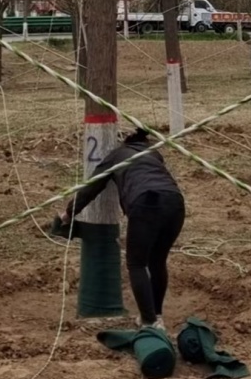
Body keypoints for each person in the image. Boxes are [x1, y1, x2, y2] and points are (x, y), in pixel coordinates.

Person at [60, 128, 185, 330]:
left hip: (146, 203)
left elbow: (92, 187)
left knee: (136, 263)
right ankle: (157, 316)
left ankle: (149, 321)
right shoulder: (153, 153)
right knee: (157, 260)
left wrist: (68, 214)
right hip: (176, 204)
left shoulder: (118, 154)